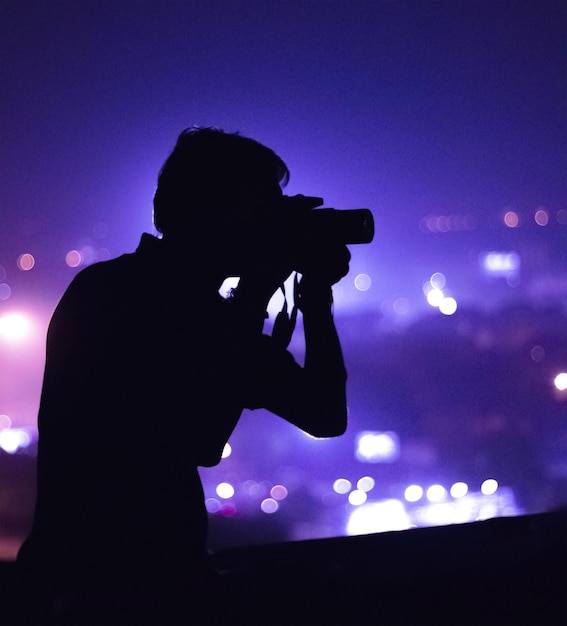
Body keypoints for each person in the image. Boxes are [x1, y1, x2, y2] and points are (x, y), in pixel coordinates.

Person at [14, 127, 350, 624]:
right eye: (261, 207)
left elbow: (323, 415)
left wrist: (316, 296)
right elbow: (194, 436)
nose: (271, 226)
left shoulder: (212, 313)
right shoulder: (113, 295)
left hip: (145, 585)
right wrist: (257, 288)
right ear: (213, 212)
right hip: (99, 593)